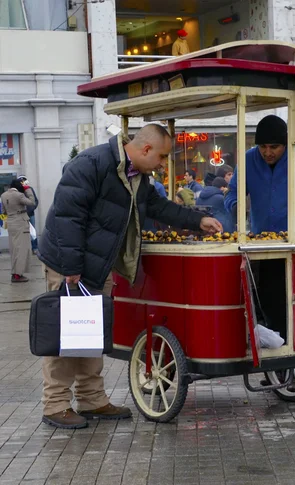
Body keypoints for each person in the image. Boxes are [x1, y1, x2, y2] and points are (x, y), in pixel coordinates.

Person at [37, 124, 222, 430]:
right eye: (161, 157)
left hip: (98, 265)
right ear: (145, 149)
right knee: (66, 335)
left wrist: (197, 220)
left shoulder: (138, 176)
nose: (163, 164)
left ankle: (92, 399)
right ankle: (55, 405)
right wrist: (71, 266)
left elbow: (159, 207)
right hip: (68, 265)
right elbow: (67, 216)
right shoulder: (91, 163)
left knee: (92, 333)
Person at [225, 115, 295, 317]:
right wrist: (237, 206)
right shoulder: (247, 160)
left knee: (293, 306)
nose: (267, 153)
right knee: (263, 305)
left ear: (286, 144)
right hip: (261, 248)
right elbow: (231, 194)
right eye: (263, 147)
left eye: (274, 147)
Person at [1, 179, 36, 282]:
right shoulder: (19, 195)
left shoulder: (3, 195)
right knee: (22, 249)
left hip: (11, 223)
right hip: (21, 222)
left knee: (14, 249)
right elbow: (32, 202)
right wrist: (28, 189)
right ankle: (18, 275)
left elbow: (3, 211)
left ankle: (15, 272)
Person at [17, 175, 39, 253]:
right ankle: (25, 249)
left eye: (23, 180)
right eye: (21, 180)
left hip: (30, 214)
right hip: (21, 215)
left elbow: (35, 201)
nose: (22, 182)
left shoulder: (30, 189)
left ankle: (35, 248)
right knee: (22, 232)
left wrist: (32, 208)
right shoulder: (17, 191)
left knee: (33, 232)